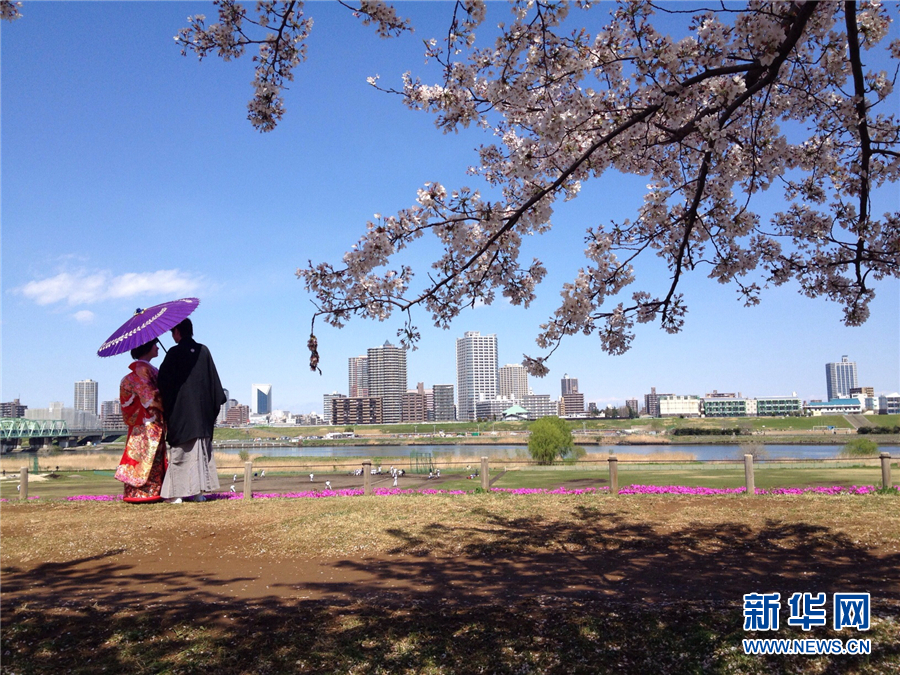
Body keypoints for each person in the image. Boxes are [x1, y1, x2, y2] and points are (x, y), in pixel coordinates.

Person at [157, 318, 226, 503]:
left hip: (182, 415)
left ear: (178, 332)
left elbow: (163, 382)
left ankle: (176, 495)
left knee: (181, 453)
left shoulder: (174, 353)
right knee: (200, 454)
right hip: (202, 415)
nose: (172, 336)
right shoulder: (203, 351)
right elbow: (215, 386)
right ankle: (198, 494)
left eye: (173, 332)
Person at [115, 339, 167, 503]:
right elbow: (150, 397)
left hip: (142, 423)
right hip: (148, 423)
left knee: (140, 456)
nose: (157, 347)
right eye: (154, 344)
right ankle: (146, 492)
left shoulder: (142, 371)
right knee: (148, 457)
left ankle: (141, 491)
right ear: (147, 347)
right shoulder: (142, 371)